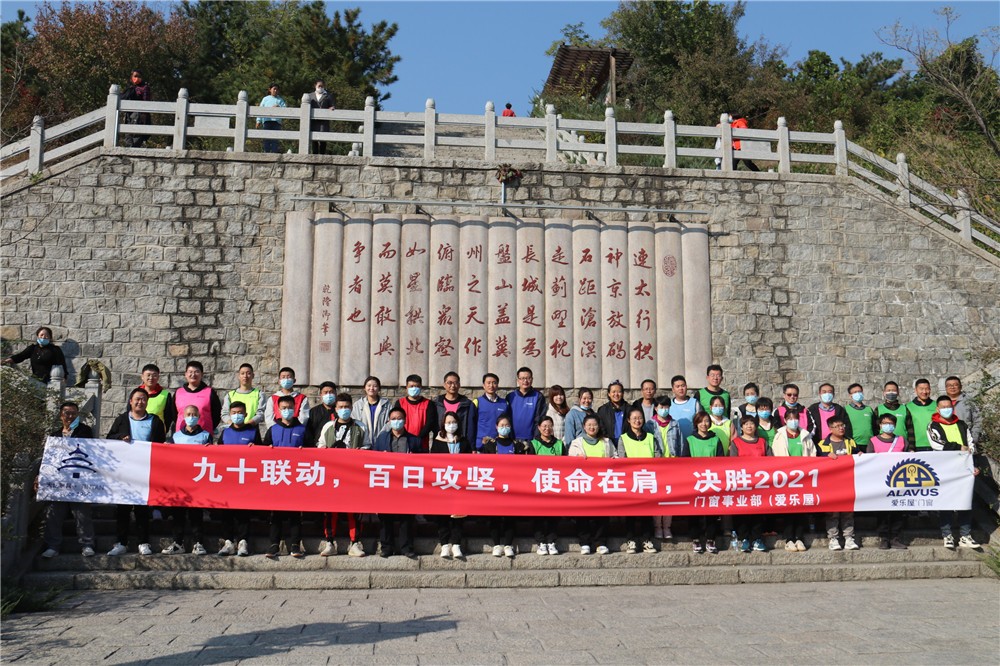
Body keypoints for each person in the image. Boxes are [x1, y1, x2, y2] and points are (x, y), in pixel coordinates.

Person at [106, 387, 166, 556]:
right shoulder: (122, 419)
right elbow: (109, 438)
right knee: (123, 508)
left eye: (143, 399)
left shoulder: (155, 421)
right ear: (130, 401)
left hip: (145, 470)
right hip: (124, 470)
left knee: (142, 508)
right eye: (137, 399)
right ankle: (121, 542)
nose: (140, 402)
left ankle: (143, 542)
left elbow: (160, 444)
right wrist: (120, 437)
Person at [40, 402, 96, 558]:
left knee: (82, 513)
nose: (70, 416)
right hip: (59, 481)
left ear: (77, 415)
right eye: (67, 413)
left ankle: (87, 544)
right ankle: (53, 546)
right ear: (61, 415)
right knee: (54, 513)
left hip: (79, 480)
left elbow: (90, 450)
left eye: (73, 413)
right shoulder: (54, 436)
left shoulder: (85, 431)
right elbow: (48, 459)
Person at [317, 393, 367, 557]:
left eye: (347, 407)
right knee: (331, 509)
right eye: (341, 407)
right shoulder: (328, 427)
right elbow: (320, 446)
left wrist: (361, 451)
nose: (344, 410)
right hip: (332, 475)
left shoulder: (360, 426)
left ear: (351, 408)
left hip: (353, 475)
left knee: (354, 509)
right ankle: (330, 542)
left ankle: (355, 543)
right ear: (335, 409)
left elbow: (368, 446)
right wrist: (324, 450)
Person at [928, 395, 981, 549]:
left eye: (949, 407)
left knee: (965, 501)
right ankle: (947, 535)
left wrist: (973, 463)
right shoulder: (933, 425)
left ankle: (965, 535)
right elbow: (937, 444)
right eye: (943, 407)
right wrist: (958, 447)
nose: (946, 409)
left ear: (953, 408)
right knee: (947, 502)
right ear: (938, 409)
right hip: (944, 469)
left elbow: (970, 444)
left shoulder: (962, 424)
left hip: (963, 468)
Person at [481, 414, 534, 557]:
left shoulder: (518, 445)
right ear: (496, 427)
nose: (504, 428)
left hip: (512, 487)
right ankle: (496, 544)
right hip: (495, 486)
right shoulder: (490, 445)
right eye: (502, 425)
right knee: (494, 517)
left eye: (507, 425)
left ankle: (508, 544)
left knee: (510, 517)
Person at [162, 404, 211, 555]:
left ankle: (198, 543)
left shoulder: (205, 436)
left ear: (199, 417)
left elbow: (212, 456)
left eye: (194, 414)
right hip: (179, 481)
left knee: (196, 513)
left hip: (197, 481)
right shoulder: (176, 436)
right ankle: (178, 543)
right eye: (188, 414)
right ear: (183, 417)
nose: (191, 417)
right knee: (178, 513)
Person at [373, 408, 422, 557]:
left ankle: (406, 548)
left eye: (399, 418)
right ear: (389, 421)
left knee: (406, 517)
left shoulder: (414, 440)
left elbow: (423, 461)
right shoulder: (381, 439)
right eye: (393, 418)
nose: (396, 421)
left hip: (406, 484)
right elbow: (373, 458)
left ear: (405, 420)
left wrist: (414, 458)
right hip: (387, 483)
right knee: (385, 517)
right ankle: (386, 547)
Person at [264, 394, 307, 559]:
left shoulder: (302, 429)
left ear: (295, 409)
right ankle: (274, 544)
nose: (287, 410)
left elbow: (312, 453)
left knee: (295, 513)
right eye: (283, 408)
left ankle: (295, 544)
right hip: (277, 477)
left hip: (297, 478)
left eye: (290, 408)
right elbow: (263, 452)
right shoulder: (273, 429)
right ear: (278, 410)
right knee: (275, 513)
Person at [216, 402, 261, 557]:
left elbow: (262, 454)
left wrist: (255, 448)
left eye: (240, 412)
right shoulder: (225, 432)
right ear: (230, 414)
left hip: (245, 479)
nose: (237, 415)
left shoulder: (253, 432)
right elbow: (217, 453)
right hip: (227, 479)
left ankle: (243, 542)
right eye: (234, 412)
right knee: (226, 511)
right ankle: (228, 542)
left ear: (246, 414)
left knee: (243, 511)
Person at [568, 414, 615, 555]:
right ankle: (585, 542)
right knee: (583, 514)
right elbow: (570, 461)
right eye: (589, 425)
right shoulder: (577, 443)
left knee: (602, 514)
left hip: (601, 484)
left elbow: (615, 457)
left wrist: (613, 460)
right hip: (584, 484)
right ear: (584, 427)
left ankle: (600, 542)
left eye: (594, 425)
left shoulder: (606, 442)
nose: (592, 427)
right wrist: (577, 459)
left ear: (599, 426)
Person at [771, 405, 815, 551]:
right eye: (789, 419)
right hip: (786, 478)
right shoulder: (779, 436)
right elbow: (776, 455)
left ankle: (800, 538)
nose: (793, 421)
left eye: (795, 418)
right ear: (785, 420)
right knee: (789, 508)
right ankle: (789, 539)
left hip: (803, 477)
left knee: (801, 508)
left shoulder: (805, 435)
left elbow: (812, 453)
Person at [617, 407, 661, 554]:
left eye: (640, 418)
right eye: (634, 418)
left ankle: (647, 540)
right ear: (628, 420)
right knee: (630, 512)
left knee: (647, 512)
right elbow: (621, 459)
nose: (637, 420)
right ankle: (631, 540)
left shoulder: (650, 437)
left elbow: (658, 457)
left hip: (648, 480)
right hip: (631, 481)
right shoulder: (623, 438)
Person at [431, 412, 472, 560]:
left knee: (458, 515)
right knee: (443, 515)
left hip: (459, 484)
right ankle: (444, 544)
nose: (451, 425)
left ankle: (456, 544)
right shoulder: (438, 441)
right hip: (443, 483)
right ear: (443, 424)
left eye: (454, 422)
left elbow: (469, 461)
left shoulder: (464, 441)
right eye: (448, 422)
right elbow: (433, 462)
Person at [815, 416, 859, 551]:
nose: (841, 428)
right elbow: (816, 461)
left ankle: (849, 538)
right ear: (830, 429)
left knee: (848, 512)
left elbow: (857, 455)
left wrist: (860, 455)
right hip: (830, 484)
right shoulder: (822, 444)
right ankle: (833, 538)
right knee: (832, 512)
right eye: (837, 426)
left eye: (842, 425)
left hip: (848, 482)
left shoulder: (850, 442)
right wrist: (825, 456)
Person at [730, 415, 772, 553]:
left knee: (758, 511)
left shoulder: (762, 442)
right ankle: (744, 539)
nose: (749, 426)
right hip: (742, 483)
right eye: (746, 424)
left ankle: (757, 539)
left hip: (760, 484)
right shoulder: (736, 443)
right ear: (741, 427)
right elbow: (732, 463)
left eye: (752, 424)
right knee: (742, 511)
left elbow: (771, 460)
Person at [867, 413, 908, 550]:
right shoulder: (873, 441)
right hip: (880, 481)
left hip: (898, 481)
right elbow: (869, 459)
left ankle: (895, 538)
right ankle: (884, 538)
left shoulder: (901, 440)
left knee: (898, 510)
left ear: (895, 425)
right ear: (880, 425)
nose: (888, 426)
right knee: (882, 511)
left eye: (891, 423)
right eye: (885, 423)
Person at [686, 411, 725, 554]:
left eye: (707, 421)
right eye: (701, 421)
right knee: (693, 511)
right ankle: (695, 539)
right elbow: (684, 461)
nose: (704, 424)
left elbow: (721, 461)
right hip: (694, 481)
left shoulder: (715, 439)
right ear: (696, 423)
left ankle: (710, 539)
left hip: (711, 481)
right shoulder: (690, 440)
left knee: (712, 512)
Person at [646, 396, 684, 540]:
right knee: (657, 498)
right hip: (656, 466)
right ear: (656, 408)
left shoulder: (674, 423)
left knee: (669, 498)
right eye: (661, 407)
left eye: (666, 407)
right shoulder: (650, 425)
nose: (664, 410)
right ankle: (657, 527)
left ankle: (667, 527)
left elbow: (680, 444)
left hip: (672, 466)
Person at [530, 415, 565, 555]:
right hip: (538, 485)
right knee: (538, 516)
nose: (547, 429)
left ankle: (551, 541)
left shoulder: (559, 444)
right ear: (539, 428)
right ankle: (541, 542)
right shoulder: (533, 444)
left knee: (553, 515)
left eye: (549, 426)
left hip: (555, 485)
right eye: (544, 426)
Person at [3, 326, 68, 382]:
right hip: (36, 380)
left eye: (46, 335)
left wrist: (64, 377)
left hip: (51, 381)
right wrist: (7, 360)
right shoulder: (32, 348)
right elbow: (20, 356)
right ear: (37, 337)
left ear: (50, 337)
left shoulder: (55, 349)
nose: (43, 337)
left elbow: (62, 364)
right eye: (41, 335)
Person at [173, 360, 222, 434]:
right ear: (185, 374)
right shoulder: (178, 392)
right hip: (182, 435)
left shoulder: (210, 392)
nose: (193, 374)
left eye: (196, 372)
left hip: (204, 435)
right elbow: (173, 414)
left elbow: (217, 414)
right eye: (190, 372)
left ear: (202, 374)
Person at [394, 374, 437, 452]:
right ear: (406, 387)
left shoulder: (428, 404)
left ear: (421, 387)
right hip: (403, 443)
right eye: (411, 386)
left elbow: (429, 423)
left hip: (422, 444)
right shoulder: (400, 403)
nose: (414, 388)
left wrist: (417, 439)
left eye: (417, 386)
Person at [219, 363, 266, 433]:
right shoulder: (230, 395)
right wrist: (234, 425)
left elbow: (261, 413)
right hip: (233, 431)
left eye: (248, 373)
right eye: (242, 373)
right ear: (239, 376)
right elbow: (224, 413)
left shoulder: (259, 394)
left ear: (253, 376)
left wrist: (246, 425)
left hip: (252, 431)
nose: (245, 376)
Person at [433, 371, 476, 444]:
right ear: (444, 385)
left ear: (459, 385)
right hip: (441, 442)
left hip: (461, 442)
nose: (452, 385)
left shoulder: (467, 404)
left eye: (455, 383)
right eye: (449, 383)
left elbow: (471, 426)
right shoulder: (437, 404)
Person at [352, 375, 392, 449]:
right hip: (363, 445)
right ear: (364, 388)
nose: (371, 388)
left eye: (375, 386)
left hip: (382, 444)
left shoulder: (387, 405)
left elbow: (389, 424)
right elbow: (355, 424)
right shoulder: (358, 405)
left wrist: (382, 438)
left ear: (379, 388)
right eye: (369, 385)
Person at [506, 366, 545, 440]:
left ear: (532, 379)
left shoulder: (538, 396)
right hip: (512, 439)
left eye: (528, 378)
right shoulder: (510, 397)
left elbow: (539, 419)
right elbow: (507, 418)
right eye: (522, 378)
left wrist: (536, 439)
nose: (525, 381)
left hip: (531, 440)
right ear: (518, 380)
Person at [472, 372, 508, 451]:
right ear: (483, 385)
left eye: (494, 383)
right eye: (488, 383)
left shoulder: (505, 404)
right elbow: (471, 426)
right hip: (481, 445)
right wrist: (472, 446)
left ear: (497, 385)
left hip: (499, 445)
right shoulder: (477, 402)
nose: (491, 385)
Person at [137, 364, 175, 432]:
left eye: (154, 375)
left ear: (158, 377)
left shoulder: (165, 395)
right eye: (148, 375)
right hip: (137, 431)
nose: (151, 378)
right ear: (142, 377)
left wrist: (163, 431)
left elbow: (168, 417)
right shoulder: (136, 394)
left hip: (157, 432)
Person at [875, 381, 911, 450]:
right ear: (884, 393)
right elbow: (875, 429)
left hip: (902, 445)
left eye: (894, 390)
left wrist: (911, 447)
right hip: (882, 445)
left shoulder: (904, 409)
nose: (891, 393)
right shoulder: (878, 409)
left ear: (898, 392)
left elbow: (910, 429)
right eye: (888, 390)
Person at [121, 69, 152, 148]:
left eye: (139, 76)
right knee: (128, 136)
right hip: (129, 115)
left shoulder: (145, 88)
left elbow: (146, 103)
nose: (137, 78)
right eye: (135, 76)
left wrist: (144, 118)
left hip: (139, 117)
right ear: (131, 77)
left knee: (137, 137)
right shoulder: (130, 88)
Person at [945, 375, 981, 441]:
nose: (952, 387)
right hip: (947, 438)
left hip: (966, 438)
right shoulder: (941, 402)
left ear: (961, 386)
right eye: (949, 385)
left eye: (955, 385)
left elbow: (978, 420)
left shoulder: (969, 401)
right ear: (946, 388)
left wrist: (973, 438)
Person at [905, 378, 937, 451]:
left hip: (934, 445)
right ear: (916, 390)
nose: (924, 392)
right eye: (921, 389)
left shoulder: (937, 405)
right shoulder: (908, 407)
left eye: (927, 389)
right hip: (915, 446)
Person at [668, 375, 701, 440]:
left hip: (691, 440)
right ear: (673, 390)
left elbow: (700, 421)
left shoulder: (694, 403)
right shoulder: (669, 404)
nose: (681, 388)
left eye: (683, 386)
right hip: (674, 441)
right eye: (677, 386)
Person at [306, 381, 339, 445]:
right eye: (325, 392)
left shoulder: (340, 411)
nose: (328, 395)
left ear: (336, 394)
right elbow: (309, 432)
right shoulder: (314, 412)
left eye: (331, 392)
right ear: (321, 395)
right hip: (318, 447)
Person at [257, 83, 287, 153]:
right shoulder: (265, 99)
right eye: (274, 89)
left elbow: (285, 109)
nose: (275, 91)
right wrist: (258, 120)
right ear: (270, 90)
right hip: (267, 121)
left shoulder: (280, 100)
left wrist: (279, 107)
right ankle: (266, 152)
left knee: (275, 139)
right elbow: (260, 110)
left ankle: (274, 153)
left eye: (277, 89)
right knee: (266, 138)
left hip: (276, 122)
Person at [844, 383, 876, 449]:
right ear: (850, 395)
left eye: (859, 391)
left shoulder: (869, 409)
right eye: (855, 392)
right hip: (854, 444)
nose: (858, 393)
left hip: (870, 444)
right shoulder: (845, 409)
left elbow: (874, 426)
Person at [597, 380, 628, 445]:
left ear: (623, 393)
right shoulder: (603, 410)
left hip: (626, 443)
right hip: (608, 444)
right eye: (613, 392)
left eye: (619, 392)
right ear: (609, 394)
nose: (616, 394)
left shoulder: (629, 409)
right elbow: (601, 428)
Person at [308, 79, 335, 155]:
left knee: (323, 138)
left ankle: (322, 155)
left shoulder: (328, 96)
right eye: (319, 86)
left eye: (322, 86)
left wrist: (331, 108)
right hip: (314, 121)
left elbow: (332, 105)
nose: (320, 87)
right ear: (315, 86)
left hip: (324, 121)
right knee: (314, 138)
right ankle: (315, 154)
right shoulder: (310, 96)